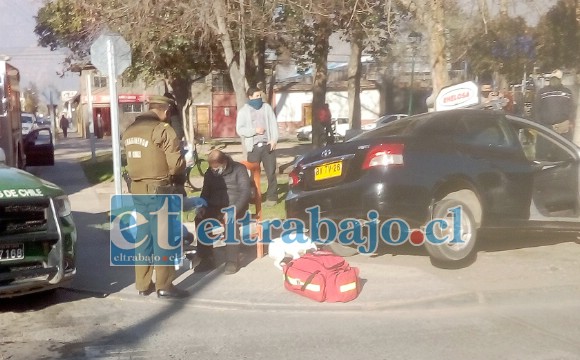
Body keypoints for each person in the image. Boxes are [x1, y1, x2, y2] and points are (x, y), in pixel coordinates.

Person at [121, 94, 188, 299]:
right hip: (159, 190)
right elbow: (176, 165)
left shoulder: (129, 130)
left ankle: (142, 284)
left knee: (143, 238)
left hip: (137, 190)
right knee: (163, 239)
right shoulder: (162, 130)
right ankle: (164, 286)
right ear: (166, 111)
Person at [194, 149, 252, 275]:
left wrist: (234, 209)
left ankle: (232, 260)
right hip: (215, 206)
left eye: (217, 168)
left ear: (224, 161)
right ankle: (206, 258)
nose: (215, 171)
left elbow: (245, 192)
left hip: (236, 205)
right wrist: (201, 206)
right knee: (200, 219)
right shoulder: (209, 173)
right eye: (212, 168)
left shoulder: (239, 169)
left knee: (231, 221)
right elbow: (205, 193)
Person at [236, 86, 279, 207]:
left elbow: (273, 124)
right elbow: (240, 129)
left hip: (267, 146)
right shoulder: (244, 111)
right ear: (250, 97)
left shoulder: (267, 108)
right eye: (256, 96)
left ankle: (272, 197)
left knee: (271, 172)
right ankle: (254, 197)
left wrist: (274, 140)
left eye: (260, 96)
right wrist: (254, 131)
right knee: (252, 175)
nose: (259, 98)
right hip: (253, 148)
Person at [533, 69, 575, 141]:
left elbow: (571, 110)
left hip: (562, 130)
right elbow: (536, 109)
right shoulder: (542, 92)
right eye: (553, 78)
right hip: (546, 128)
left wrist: (569, 123)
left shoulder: (567, 92)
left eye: (556, 78)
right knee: (543, 151)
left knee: (561, 151)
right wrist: (540, 125)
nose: (554, 80)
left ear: (560, 79)